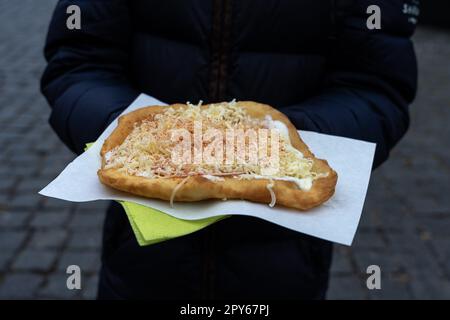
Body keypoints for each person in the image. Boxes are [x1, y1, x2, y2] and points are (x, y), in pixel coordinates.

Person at [41, 0, 418, 299]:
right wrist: (136, 135)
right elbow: (79, 63)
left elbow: (376, 86)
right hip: (139, 251)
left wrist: (280, 140)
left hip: (288, 261)